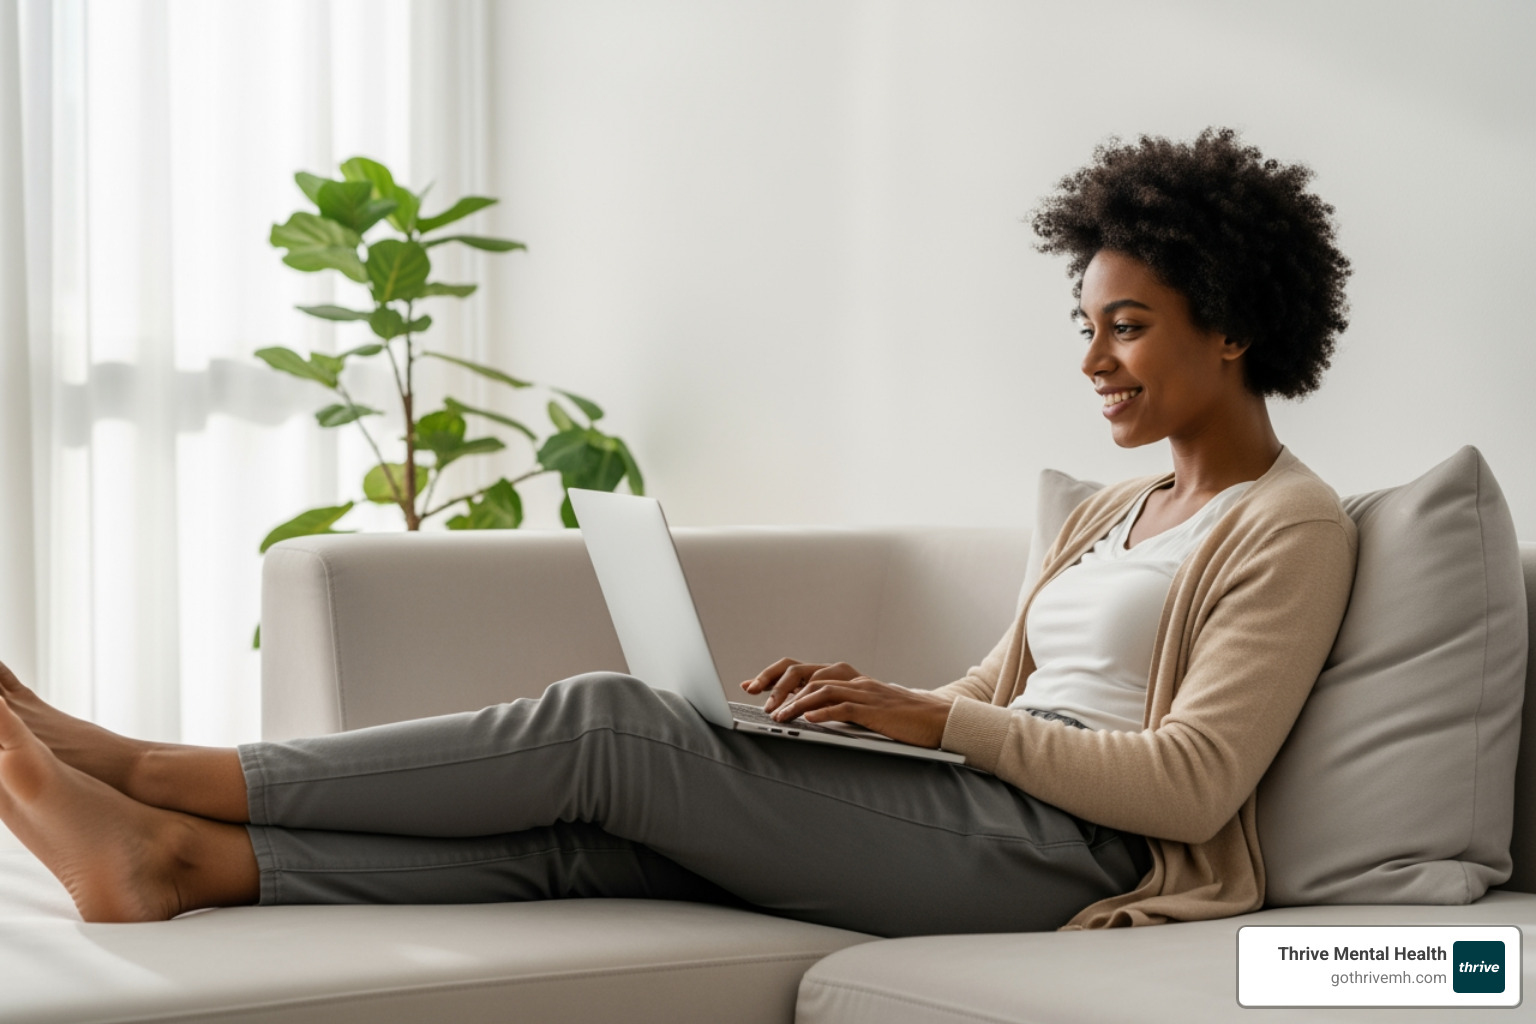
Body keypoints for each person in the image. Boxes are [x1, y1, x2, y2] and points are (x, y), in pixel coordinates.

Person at [0, 127, 1357, 936]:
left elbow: (1190, 787)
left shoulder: (1289, 525)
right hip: (977, 806)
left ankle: (159, 770)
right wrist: (859, 714)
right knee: (597, 842)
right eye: (1088, 327)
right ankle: (171, 864)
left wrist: (937, 728)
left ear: (1235, 324)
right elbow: (1003, 693)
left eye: (1128, 327)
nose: (1095, 361)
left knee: (610, 727)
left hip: (1064, 857)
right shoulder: (1118, 511)